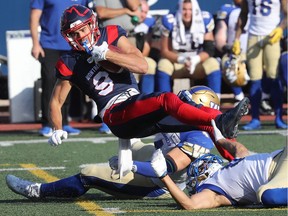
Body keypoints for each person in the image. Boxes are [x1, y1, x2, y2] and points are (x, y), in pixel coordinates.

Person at [45, 4, 250, 151]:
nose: (81, 36)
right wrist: (57, 128)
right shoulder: (69, 61)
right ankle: (220, 118)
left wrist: (107, 53)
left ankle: (239, 160)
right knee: (166, 99)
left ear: (92, 25)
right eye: (75, 33)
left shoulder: (112, 33)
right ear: (68, 37)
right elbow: (56, 101)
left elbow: (141, 65)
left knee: (206, 127)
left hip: (136, 106)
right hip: (115, 114)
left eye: (83, 29)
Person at [5, 86, 247, 200]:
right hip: (158, 159)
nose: (184, 107)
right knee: (131, 142)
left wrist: (130, 166)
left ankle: (38, 191)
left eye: (190, 103)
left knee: (90, 173)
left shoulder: (198, 136)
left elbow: (167, 167)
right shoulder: (185, 122)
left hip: (163, 182)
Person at [151, 140, 288, 208]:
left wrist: (219, 138)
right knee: (267, 196)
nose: (205, 162)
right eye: (202, 165)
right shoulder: (212, 191)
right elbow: (190, 205)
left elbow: (238, 148)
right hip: (278, 177)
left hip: (282, 158)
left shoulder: (232, 165)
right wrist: (164, 176)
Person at [94, 0, 157, 133]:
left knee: (139, 72)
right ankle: (109, 118)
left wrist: (129, 9)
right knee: (111, 78)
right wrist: (125, 11)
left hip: (130, 37)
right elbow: (101, 12)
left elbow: (134, 6)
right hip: (108, 40)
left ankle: (144, 113)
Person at [30, 0, 85, 136]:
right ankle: (47, 124)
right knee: (49, 81)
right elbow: (34, 16)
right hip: (49, 45)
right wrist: (35, 44)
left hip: (72, 45)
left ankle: (65, 122)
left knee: (69, 82)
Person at [232, 0, 287, 130]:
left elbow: (287, 13)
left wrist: (281, 28)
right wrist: (237, 38)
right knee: (255, 79)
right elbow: (243, 14)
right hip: (253, 36)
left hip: (272, 35)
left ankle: (279, 117)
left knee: (273, 77)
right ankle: (255, 118)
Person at [155, 0, 222, 100]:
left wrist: (195, 60)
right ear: (179, 10)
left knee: (213, 63)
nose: (187, 13)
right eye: (184, 9)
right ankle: (165, 103)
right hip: (177, 62)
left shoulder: (204, 20)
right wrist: (182, 60)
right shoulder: (170, 21)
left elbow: (209, 50)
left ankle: (215, 101)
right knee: (163, 64)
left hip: (197, 63)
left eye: (190, 9)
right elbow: (164, 51)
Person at [214, 0, 249, 105]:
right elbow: (219, 39)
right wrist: (228, 49)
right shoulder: (227, 10)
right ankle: (239, 97)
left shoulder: (258, 9)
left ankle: (265, 99)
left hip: (255, 50)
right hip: (235, 52)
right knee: (228, 62)